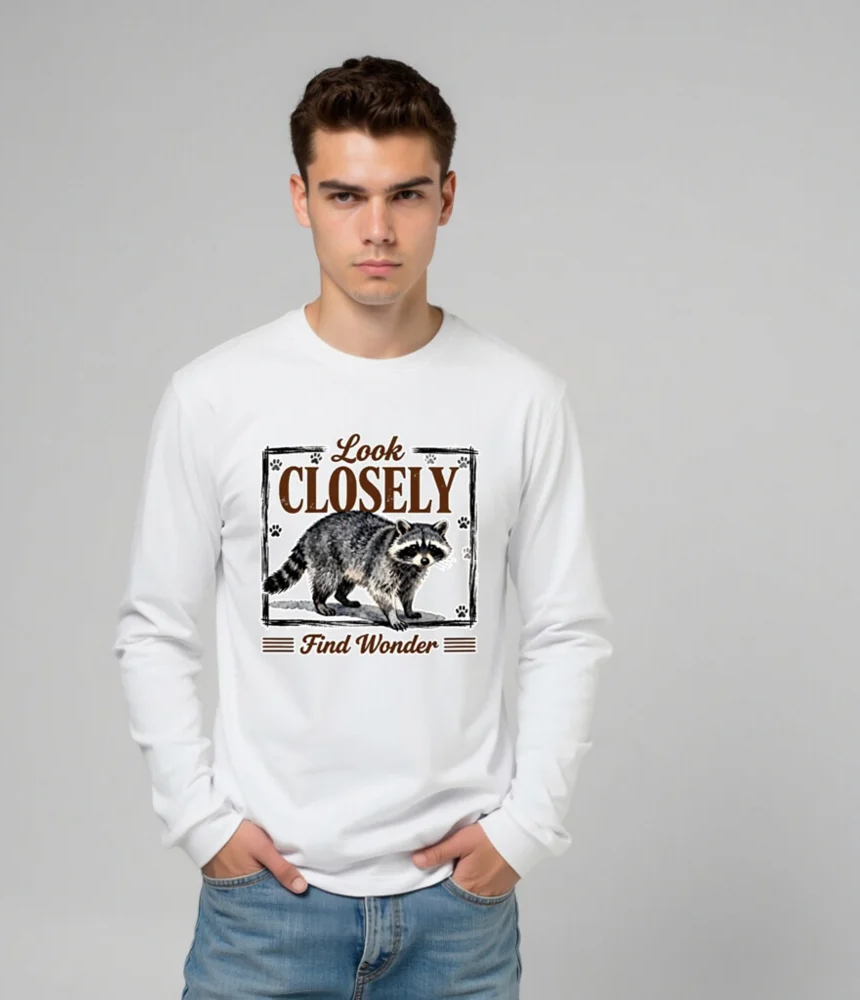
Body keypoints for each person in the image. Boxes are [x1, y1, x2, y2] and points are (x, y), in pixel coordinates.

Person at [113, 54, 613, 999]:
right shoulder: (215, 396)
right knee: (329, 578)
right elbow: (155, 628)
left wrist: (523, 833)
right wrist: (202, 824)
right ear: (301, 199)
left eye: (405, 195)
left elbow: (566, 630)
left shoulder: (521, 399)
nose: (377, 230)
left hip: (456, 910)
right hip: (268, 903)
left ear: (446, 199)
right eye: (345, 195)